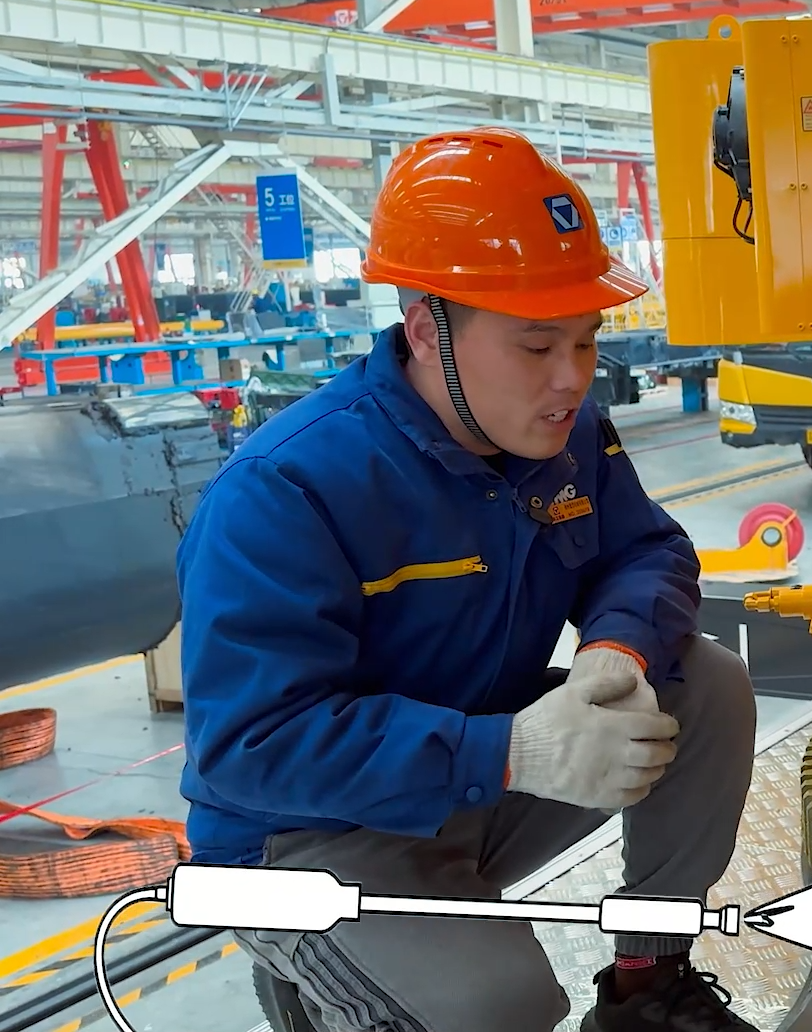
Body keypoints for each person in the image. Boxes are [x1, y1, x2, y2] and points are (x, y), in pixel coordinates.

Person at [175, 127, 757, 1032]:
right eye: (537, 347)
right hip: (301, 835)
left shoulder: (562, 439)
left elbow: (647, 554)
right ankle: (323, 976)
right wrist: (512, 753)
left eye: (587, 342)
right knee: (497, 1003)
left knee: (706, 683)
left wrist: (615, 651)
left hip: (473, 774)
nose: (572, 379)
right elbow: (251, 745)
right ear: (425, 331)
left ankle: (649, 984)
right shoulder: (288, 489)